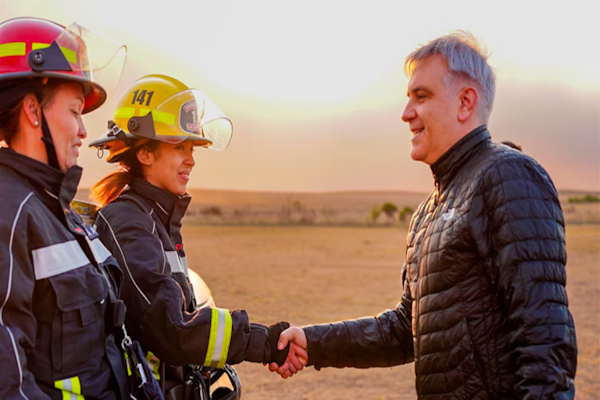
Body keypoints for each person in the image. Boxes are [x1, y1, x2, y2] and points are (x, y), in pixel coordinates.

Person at [271, 31, 577, 399]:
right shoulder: (427, 213)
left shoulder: (507, 176)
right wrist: (313, 341)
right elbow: (405, 330)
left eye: (422, 96)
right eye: (408, 98)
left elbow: (545, 341)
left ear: (465, 102)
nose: (406, 113)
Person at [88, 74, 294, 399]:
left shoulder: (157, 217)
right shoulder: (127, 220)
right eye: (179, 146)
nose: (191, 159)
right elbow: (172, 327)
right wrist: (264, 342)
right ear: (145, 154)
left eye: (192, 147)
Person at [0, 17, 129, 399]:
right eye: (75, 111)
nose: (84, 131)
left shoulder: (59, 211)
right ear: (33, 112)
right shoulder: (10, 213)